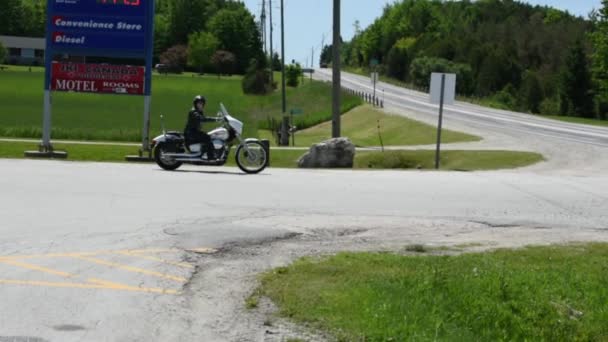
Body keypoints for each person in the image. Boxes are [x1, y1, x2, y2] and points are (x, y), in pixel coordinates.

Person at [184, 95, 220, 160]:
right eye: (199, 103)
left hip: (194, 132)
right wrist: (215, 119)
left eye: (202, 103)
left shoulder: (198, 111)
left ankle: (206, 153)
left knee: (209, 135)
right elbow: (202, 119)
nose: (201, 105)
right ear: (195, 104)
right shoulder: (194, 112)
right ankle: (211, 156)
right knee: (207, 137)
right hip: (191, 134)